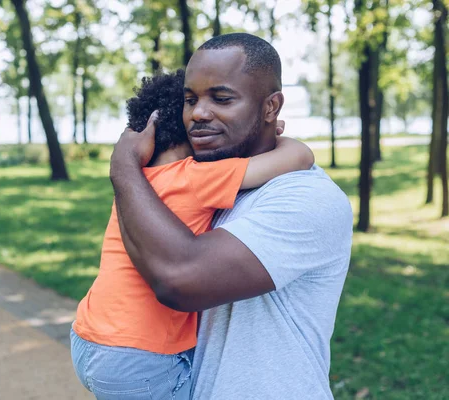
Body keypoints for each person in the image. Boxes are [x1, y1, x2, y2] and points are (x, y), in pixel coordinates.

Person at [109, 33, 353, 399]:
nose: (198, 114)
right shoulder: (206, 180)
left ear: (271, 108)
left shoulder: (306, 197)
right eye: (189, 100)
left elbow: (179, 280)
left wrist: (124, 167)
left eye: (221, 98)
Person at [70, 69, 315, 399]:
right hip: (139, 355)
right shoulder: (194, 177)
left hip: (88, 337)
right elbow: (300, 157)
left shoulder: (137, 183)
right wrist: (275, 137)